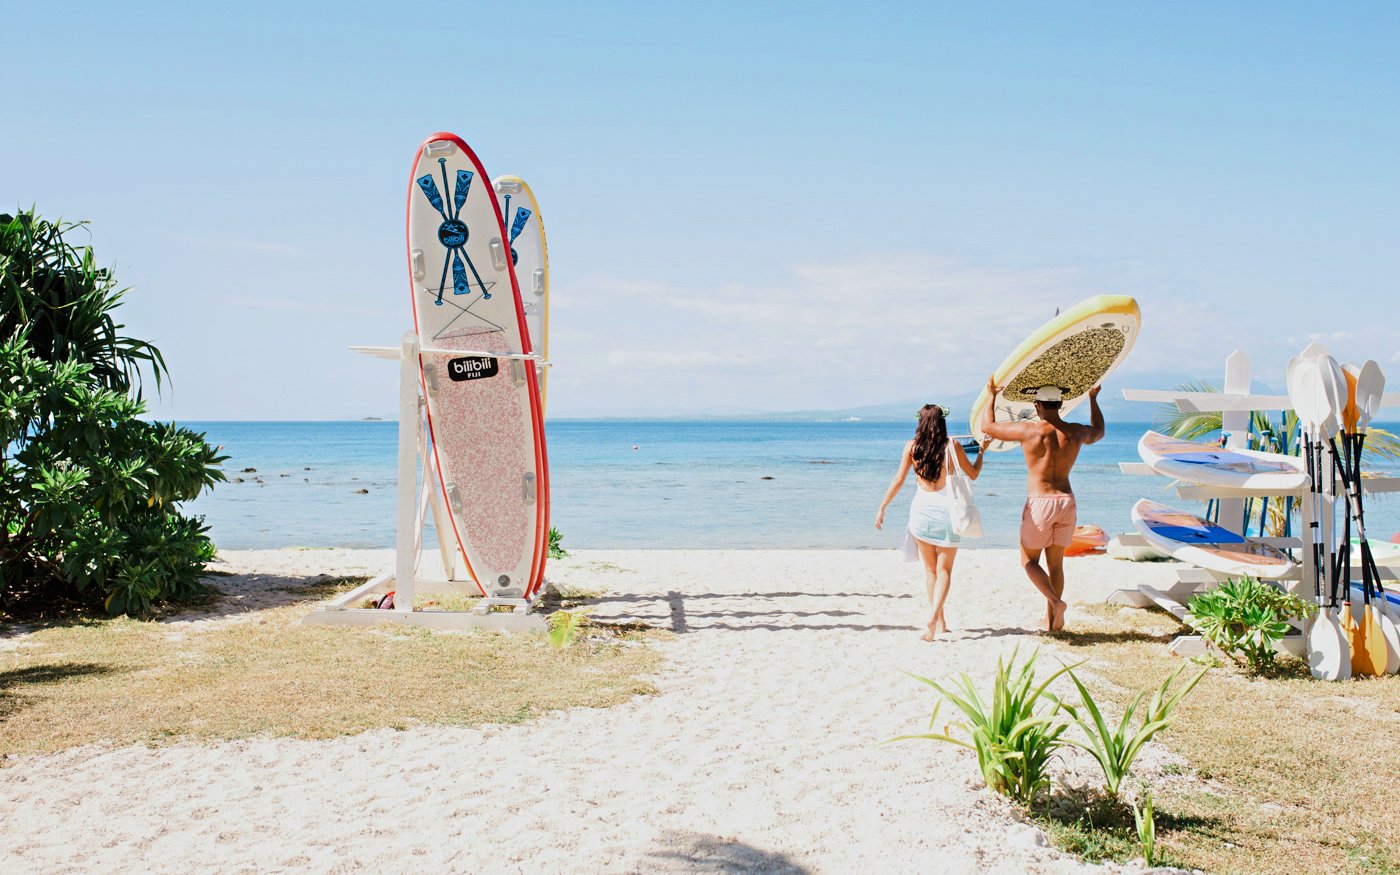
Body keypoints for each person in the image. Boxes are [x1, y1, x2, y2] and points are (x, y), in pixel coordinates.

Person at [979, 379, 1104, 631]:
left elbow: (987, 427)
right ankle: (1051, 622)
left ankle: (1056, 604)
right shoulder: (1076, 432)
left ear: (1037, 406)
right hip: (1066, 500)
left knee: (1028, 560)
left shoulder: (1029, 431)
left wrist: (990, 395)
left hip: (1040, 503)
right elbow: (1099, 431)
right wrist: (1093, 399)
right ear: (1059, 404)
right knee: (1055, 563)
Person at [876, 404, 989, 640]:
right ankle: (934, 621)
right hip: (948, 514)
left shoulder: (912, 447)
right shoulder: (952, 446)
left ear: (921, 422)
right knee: (944, 570)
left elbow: (898, 479)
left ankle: (939, 621)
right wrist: (981, 452)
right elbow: (974, 474)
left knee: (930, 572)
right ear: (942, 423)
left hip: (921, 514)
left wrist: (883, 506)